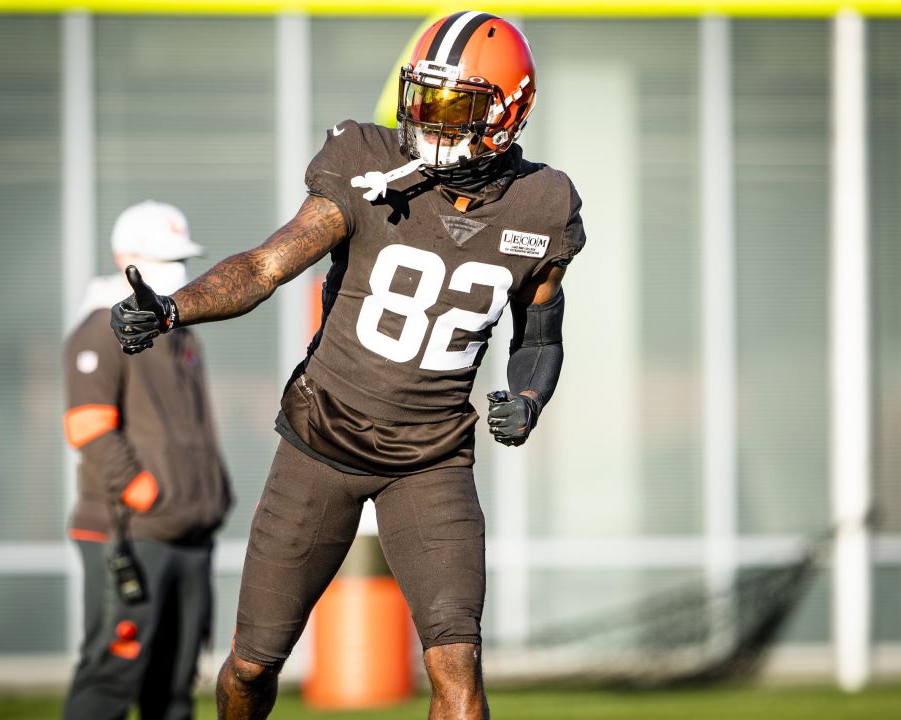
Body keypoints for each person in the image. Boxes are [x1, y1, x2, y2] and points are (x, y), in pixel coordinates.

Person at [113, 13, 584, 720]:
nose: (430, 121)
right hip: (320, 446)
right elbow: (268, 264)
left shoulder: (543, 204)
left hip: (431, 460)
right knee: (250, 666)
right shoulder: (371, 164)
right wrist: (177, 307)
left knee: (459, 669)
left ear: (508, 111)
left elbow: (540, 331)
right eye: (423, 99)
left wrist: (528, 396)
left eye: (455, 106)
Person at [62, 200, 234, 720]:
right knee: (111, 676)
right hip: (132, 534)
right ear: (125, 258)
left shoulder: (180, 331)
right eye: (164, 259)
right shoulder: (98, 329)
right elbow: (88, 427)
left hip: (190, 535)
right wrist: (144, 491)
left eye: (181, 259)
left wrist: (212, 494)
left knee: (176, 687)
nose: (177, 271)